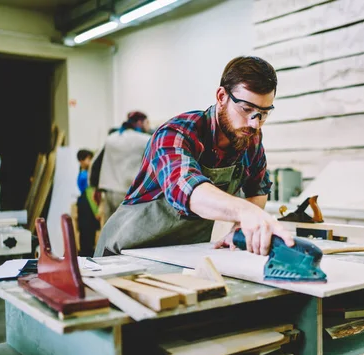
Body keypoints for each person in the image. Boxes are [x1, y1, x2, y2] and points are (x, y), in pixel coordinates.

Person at [94, 56, 293, 257]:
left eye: (264, 113)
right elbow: (187, 188)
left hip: (183, 254)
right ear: (221, 96)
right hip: (126, 252)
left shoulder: (250, 139)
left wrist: (239, 228)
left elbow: (257, 188)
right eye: (246, 109)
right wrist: (247, 212)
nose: (254, 123)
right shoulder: (176, 133)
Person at [94, 111, 152, 225]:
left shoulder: (111, 138)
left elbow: (96, 163)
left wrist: (95, 187)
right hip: (129, 194)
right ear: (140, 122)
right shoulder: (145, 140)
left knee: (110, 229)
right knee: (129, 229)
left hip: (110, 192)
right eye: (147, 122)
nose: (148, 126)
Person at [76, 149, 99, 256]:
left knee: (90, 231)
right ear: (81, 160)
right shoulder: (85, 175)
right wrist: (96, 210)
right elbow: (90, 194)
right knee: (86, 231)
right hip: (86, 204)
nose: (90, 161)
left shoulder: (84, 173)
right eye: (88, 159)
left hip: (87, 202)